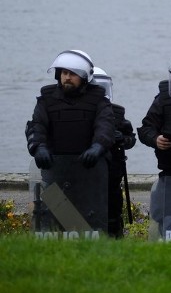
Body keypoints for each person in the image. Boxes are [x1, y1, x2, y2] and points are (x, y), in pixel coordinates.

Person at [26, 50, 115, 233]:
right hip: (55, 170)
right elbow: (37, 126)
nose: (67, 78)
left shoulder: (99, 100)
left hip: (89, 171)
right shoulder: (46, 99)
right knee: (54, 222)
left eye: (72, 74)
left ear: (84, 76)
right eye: (64, 73)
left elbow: (105, 126)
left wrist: (98, 146)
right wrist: (38, 147)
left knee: (89, 223)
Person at [90, 67, 137, 238]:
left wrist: (122, 139)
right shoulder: (81, 111)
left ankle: (115, 236)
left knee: (113, 207)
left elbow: (131, 138)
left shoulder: (117, 112)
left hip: (113, 171)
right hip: (88, 169)